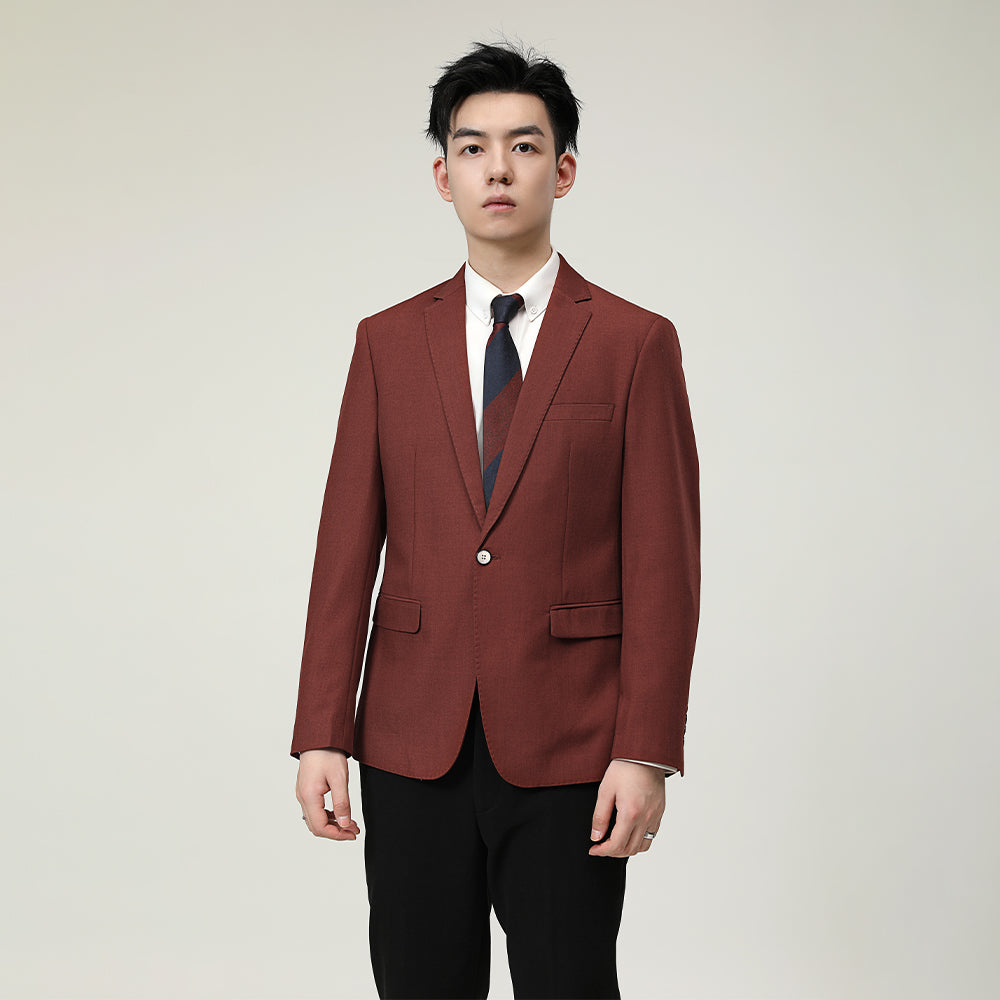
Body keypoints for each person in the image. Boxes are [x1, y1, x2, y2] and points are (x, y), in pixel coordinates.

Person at [290, 39, 700, 999]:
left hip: (570, 743)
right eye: (473, 149)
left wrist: (645, 750)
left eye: (524, 146)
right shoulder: (387, 343)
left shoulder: (635, 343)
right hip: (410, 738)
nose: (498, 169)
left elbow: (665, 567)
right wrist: (321, 731)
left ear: (564, 170)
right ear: (444, 177)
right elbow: (344, 549)